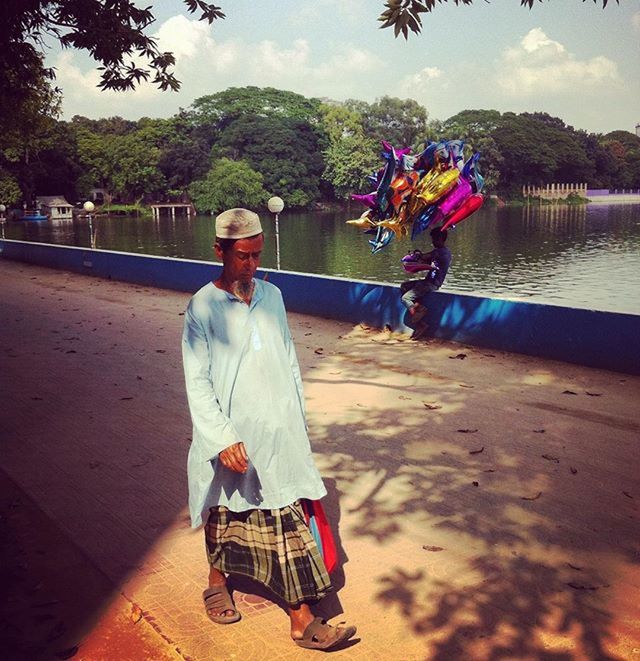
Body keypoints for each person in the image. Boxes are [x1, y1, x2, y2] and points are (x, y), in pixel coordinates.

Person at [182, 208, 356, 651]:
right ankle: (217, 581)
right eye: (242, 256)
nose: (251, 265)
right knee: (223, 513)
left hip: (279, 433)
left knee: (284, 516)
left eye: (258, 255)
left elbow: (290, 363)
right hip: (232, 434)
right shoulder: (201, 306)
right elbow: (197, 381)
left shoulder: (273, 297)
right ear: (219, 251)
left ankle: (301, 619)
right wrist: (221, 437)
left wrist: (297, 424)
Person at [399, 227, 452, 339]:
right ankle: (418, 306)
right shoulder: (438, 253)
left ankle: (420, 325)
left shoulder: (441, 252)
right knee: (404, 286)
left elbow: (424, 257)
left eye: (434, 239)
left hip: (432, 284)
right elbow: (424, 261)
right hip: (427, 282)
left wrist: (417, 255)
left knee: (405, 298)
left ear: (441, 239)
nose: (432, 242)